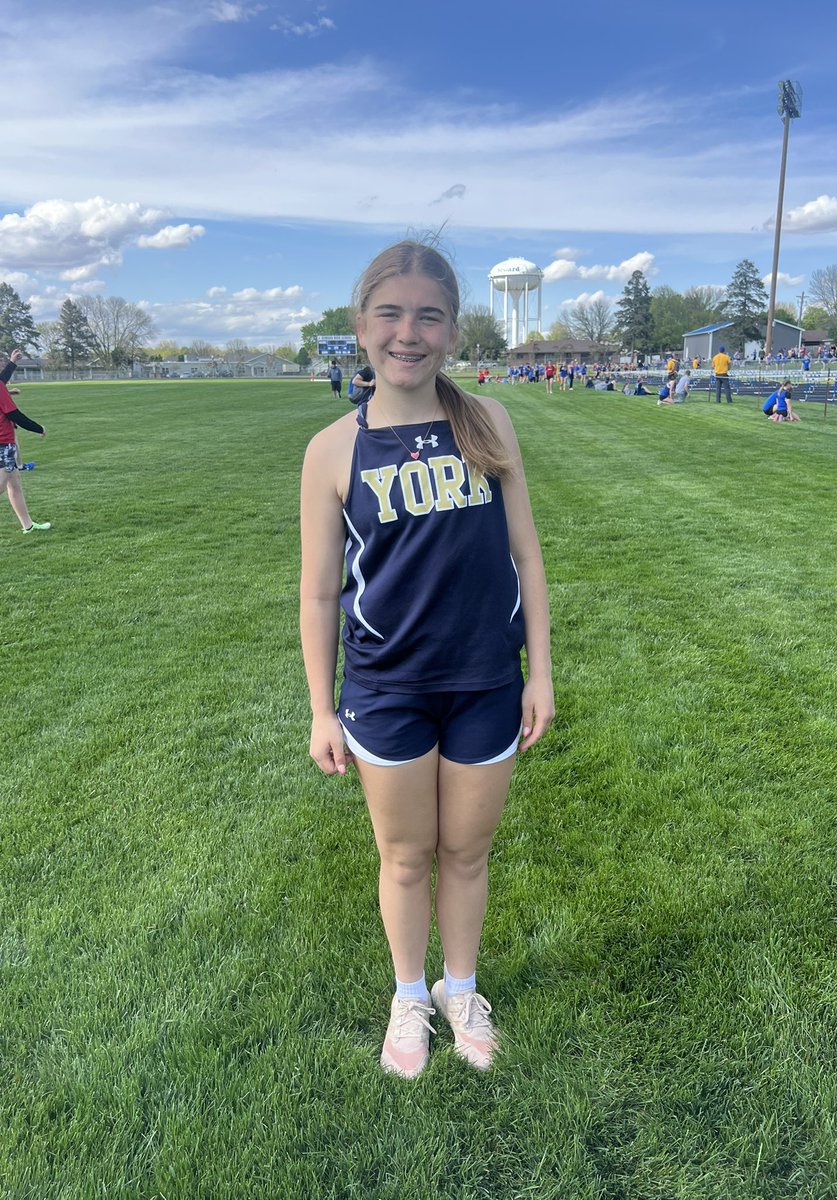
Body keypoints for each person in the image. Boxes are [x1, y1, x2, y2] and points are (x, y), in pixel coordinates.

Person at [299, 240, 554, 1080]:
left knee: (468, 853)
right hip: (387, 689)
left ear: (450, 329)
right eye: (391, 314)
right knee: (405, 856)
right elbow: (316, 594)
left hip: (485, 680)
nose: (409, 333)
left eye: (429, 316)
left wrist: (541, 672)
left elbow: (525, 555)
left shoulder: (488, 422)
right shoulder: (333, 448)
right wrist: (320, 708)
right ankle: (410, 995)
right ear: (361, 326)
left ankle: (460, 987)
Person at [0, 349, 50, 534]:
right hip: (3, 443)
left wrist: (13, 363)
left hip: (4, 443)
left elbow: (2, 379)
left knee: (14, 484)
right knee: (2, 484)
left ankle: (27, 526)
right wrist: (39, 428)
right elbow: (14, 415)